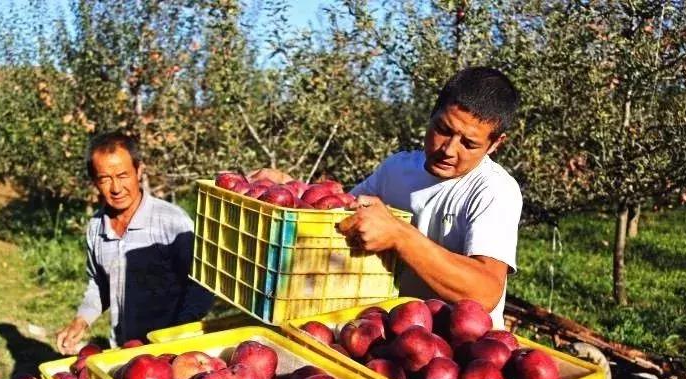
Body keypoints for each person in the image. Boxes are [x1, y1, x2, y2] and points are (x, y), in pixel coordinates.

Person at [251, 67, 521, 328]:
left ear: (496, 144)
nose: (449, 149)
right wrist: (290, 188)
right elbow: (339, 214)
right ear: (431, 115)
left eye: (469, 144)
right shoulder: (397, 169)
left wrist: (399, 235)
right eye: (443, 129)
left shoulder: (494, 191)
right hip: (394, 335)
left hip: (461, 354)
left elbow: (485, 291)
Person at [56, 131, 213, 353]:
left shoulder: (171, 222)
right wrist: (82, 319)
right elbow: (99, 283)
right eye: (105, 179)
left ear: (139, 171)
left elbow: (202, 284)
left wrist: (177, 333)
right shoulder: (96, 227)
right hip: (124, 351)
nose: (116, 188)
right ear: (94, 182)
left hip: (173, 352)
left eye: (122, 175)